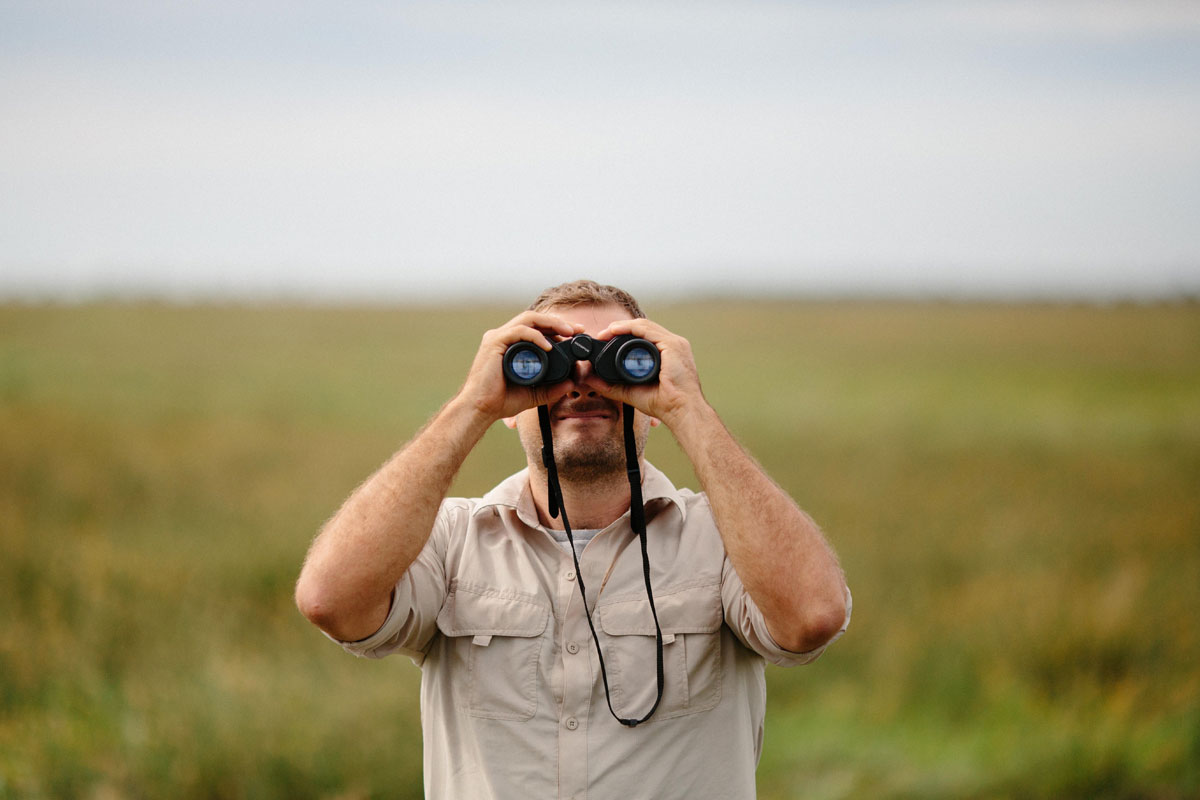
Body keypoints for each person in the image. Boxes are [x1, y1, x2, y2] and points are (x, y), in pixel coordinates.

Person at [295, 279, 851, 799]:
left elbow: (811, 619)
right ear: (513, 402)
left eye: (619, 360)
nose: (582, 383)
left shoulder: (723, 539)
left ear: (651, 399)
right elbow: (331, 601)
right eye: (552, 359)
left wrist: (690, 408)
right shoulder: (451, 541)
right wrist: (472, 407)